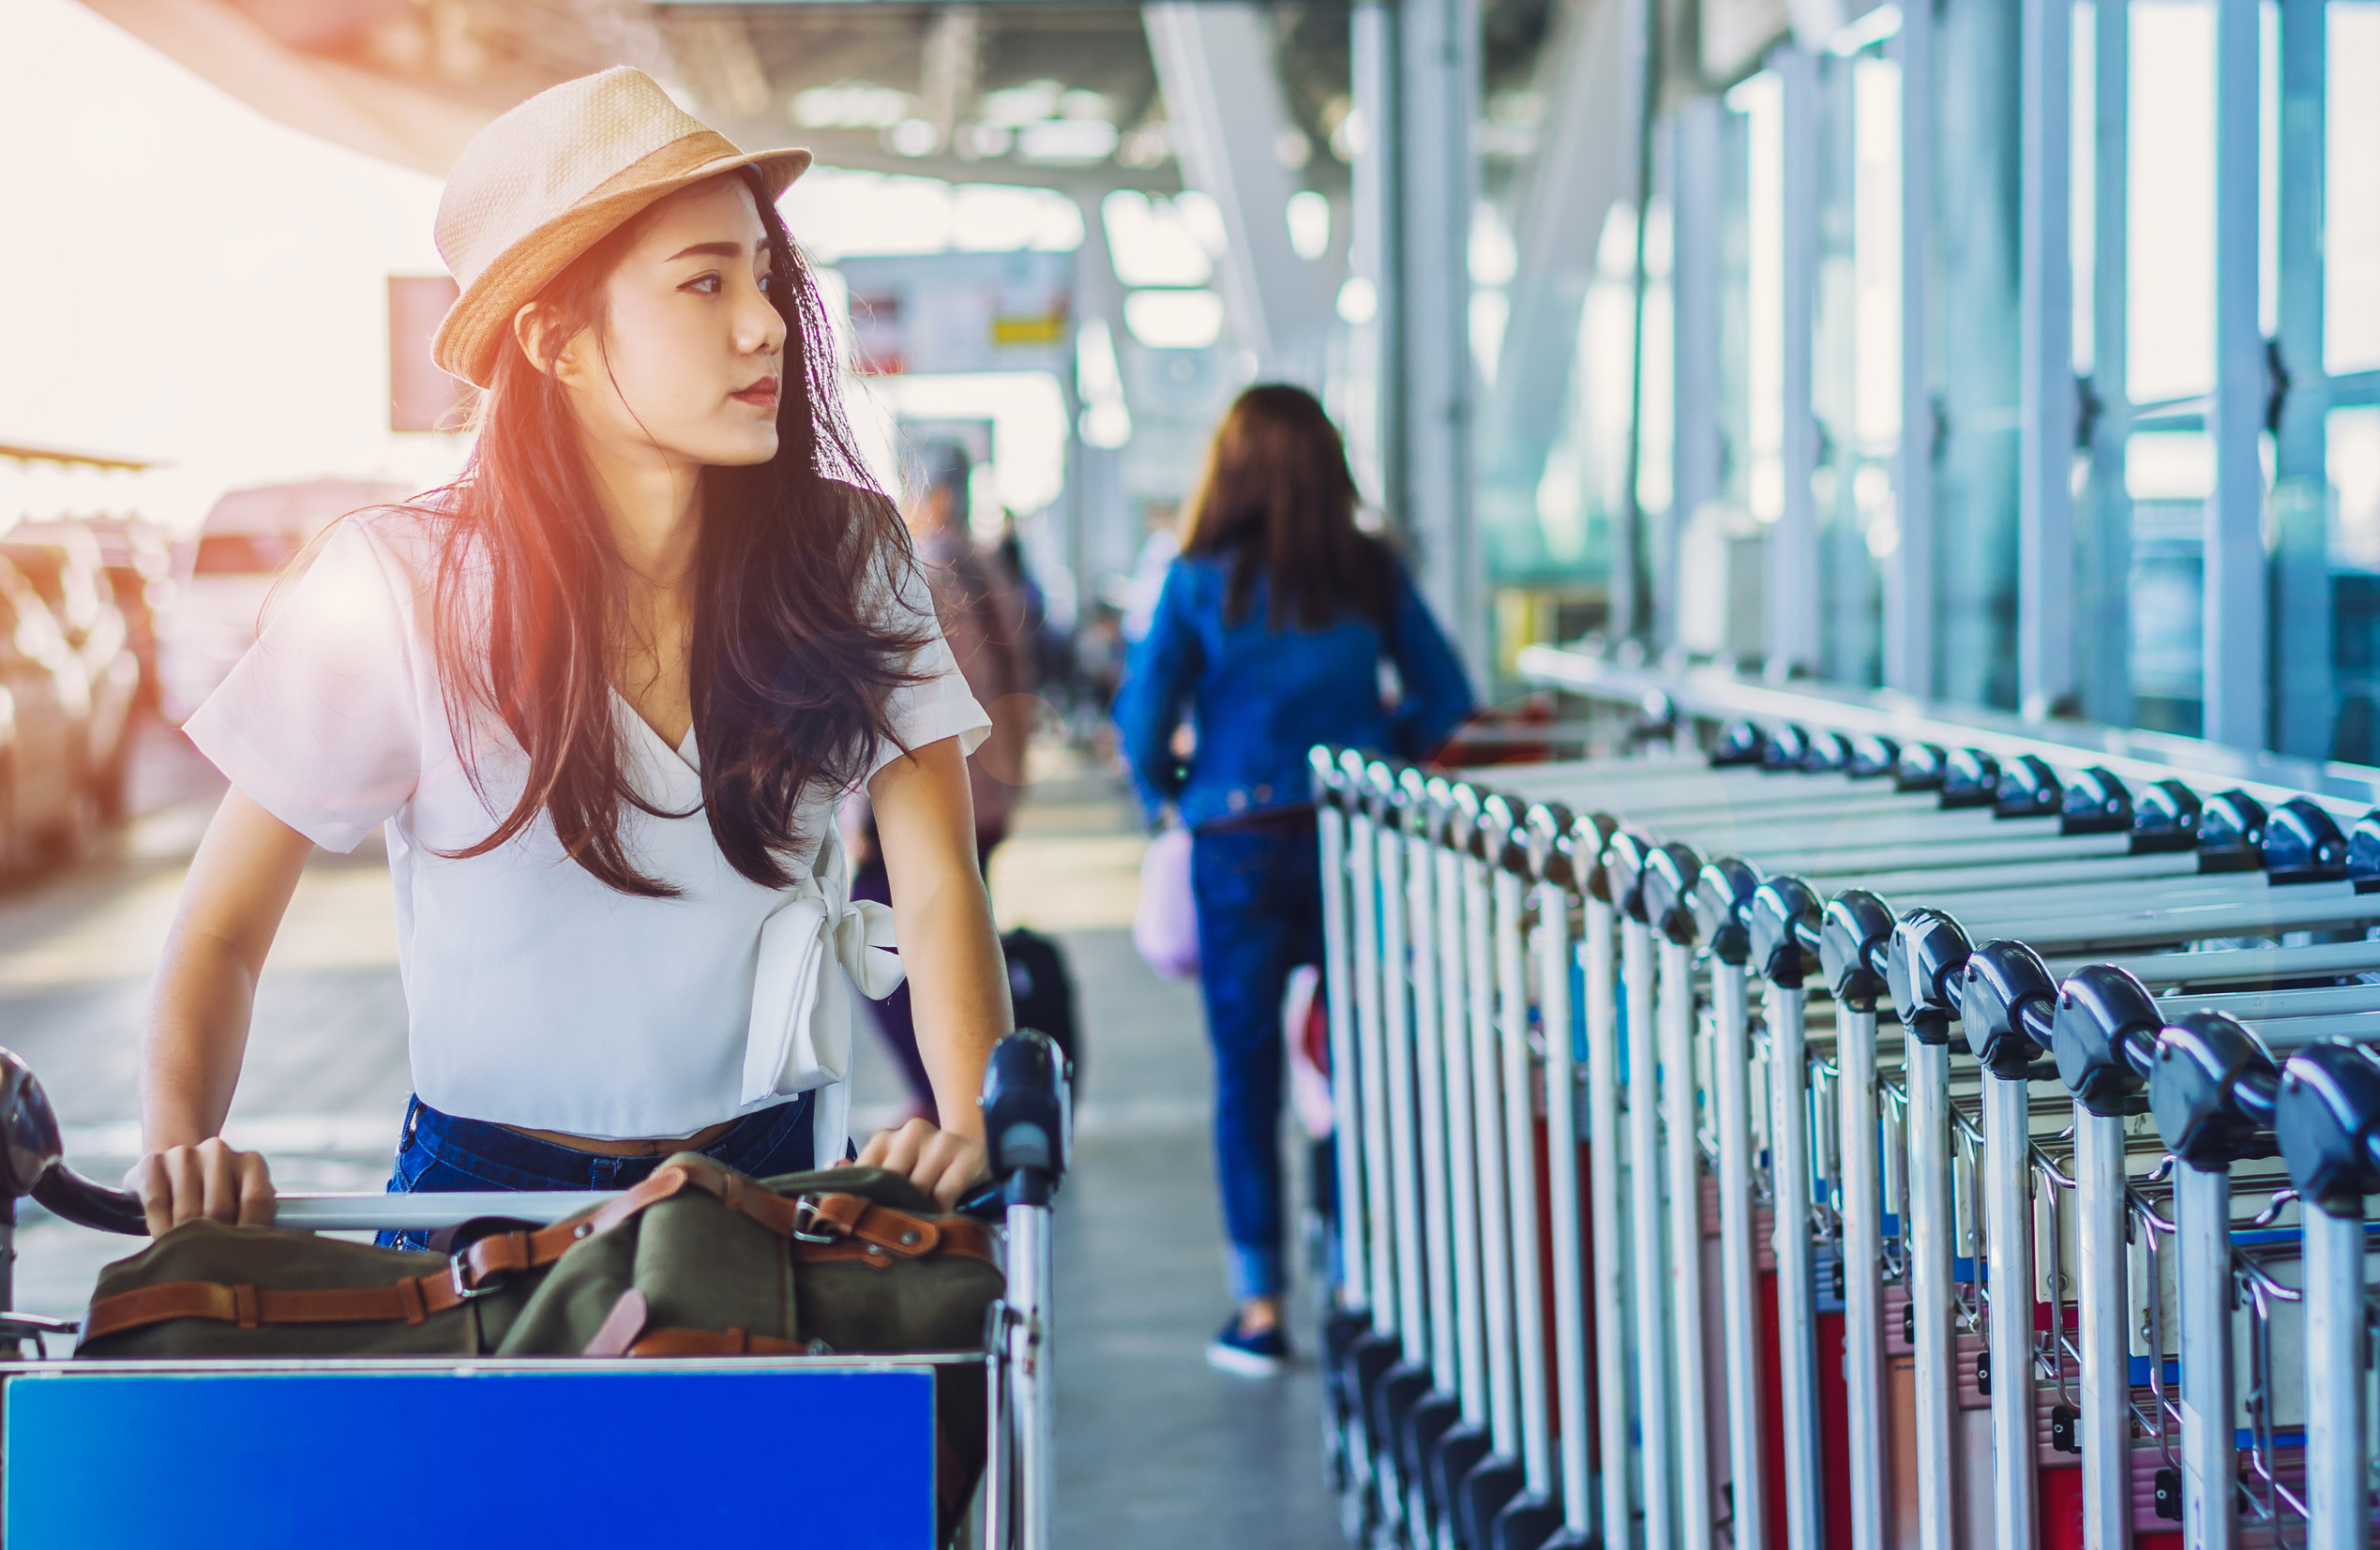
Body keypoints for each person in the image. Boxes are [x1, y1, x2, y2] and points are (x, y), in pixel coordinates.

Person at [128, 68, 1009, 1236]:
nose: (766, 324)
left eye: (761, 275)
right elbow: (223, 929)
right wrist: (182, 1150)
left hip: (772, 1192)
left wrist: (975, 1119)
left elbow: (941, 877)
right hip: (478, 1209)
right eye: (703, 283)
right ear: (557, 342)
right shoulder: (402, 585)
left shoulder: (847, 553)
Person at [1112, 384, 1475, 1375]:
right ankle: (1363, 1284)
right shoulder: (1367, 570)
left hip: (1236, 839)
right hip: (1352, 838)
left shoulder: (1196, 580)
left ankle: (1261, 1309)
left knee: (1247, 1077)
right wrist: (1374, 760)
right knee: (1362, 1063)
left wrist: (1180, 795)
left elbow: (1141, 723)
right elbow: (1450, 696)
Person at [848, 441, 1036, 1119]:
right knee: (967, 912)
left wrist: (859, 819)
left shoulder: (920, 568)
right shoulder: (988, 565)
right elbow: (1020, 668)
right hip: (989, 783)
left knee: (887, 917)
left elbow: (893, 709)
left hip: (934, 782)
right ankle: (964, 1084)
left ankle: (946, 1091)